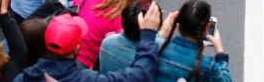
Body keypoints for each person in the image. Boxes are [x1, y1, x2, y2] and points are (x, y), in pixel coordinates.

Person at [13, 6, 162, 82]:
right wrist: (148, 35)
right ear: (77, 47)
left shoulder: (23, 78)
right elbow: (139, 75)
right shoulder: (86, 79)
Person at [154, 0, 232, 82]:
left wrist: (162, 33)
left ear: (178, 23)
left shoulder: (156, 47)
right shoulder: (208, 66)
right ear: (206, 28)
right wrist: (219, 51)